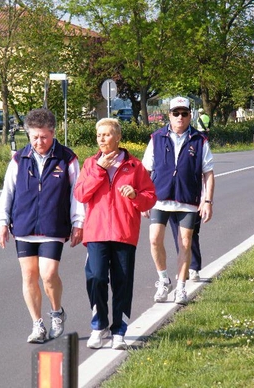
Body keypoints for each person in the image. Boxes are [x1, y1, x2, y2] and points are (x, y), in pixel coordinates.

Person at [0, 108, 85, 343]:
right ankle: (38, 325)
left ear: (53, 133)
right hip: (24, 226)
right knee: (28, 275)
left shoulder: (67, 158)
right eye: (34, 136)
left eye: (43, 136)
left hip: (53, 226)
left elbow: (77, 194)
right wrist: (2, 223)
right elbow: (8, 192)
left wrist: (78, 223)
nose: (39, 142)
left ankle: (56, 312)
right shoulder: (19, 159)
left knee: (48, 274)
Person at [74, 118, 156, 350]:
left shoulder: (134, 166)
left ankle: (119, 330)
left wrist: (135, 196)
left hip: (124, 231)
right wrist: (100, 170)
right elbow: (80, 194)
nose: (101, 138)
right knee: (97, 278)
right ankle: (99, 326)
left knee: (122, 282)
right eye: (98, 135)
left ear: (118, 137)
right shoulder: (91, 164)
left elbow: (150, 196)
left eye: (106, 134)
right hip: (96, 232)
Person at [142, 96, 214, 305]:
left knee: (185, 243)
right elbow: (146, 171)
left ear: (190, 115)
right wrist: (144, 199)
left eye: (184, 113)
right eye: (176, 113)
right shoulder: (156, 138)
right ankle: (164, 280)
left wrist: (207, 200)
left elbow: (208, 173)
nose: (180, 117)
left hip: (187, 200)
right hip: (159, 199)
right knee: (154, 239)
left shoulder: (200, 141)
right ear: (169, 115)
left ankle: (181, 286)